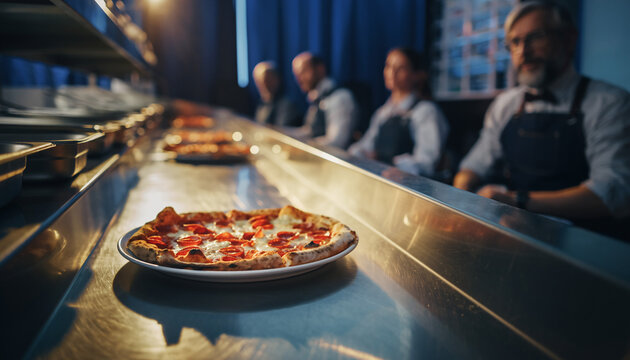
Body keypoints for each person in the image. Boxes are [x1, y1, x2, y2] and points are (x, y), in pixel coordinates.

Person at [453, 1, 630, 238]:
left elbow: (613, 195)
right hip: (514, 239)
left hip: (584, 247)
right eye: (515, 42)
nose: (523, 51)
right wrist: (459, 203)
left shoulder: (609, 102)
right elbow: (472, 166)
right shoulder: (505, 105)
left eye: (535, 37)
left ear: (569, 39)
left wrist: (516, 200)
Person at [348, 47, 449, 178]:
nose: (392, 73)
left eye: (400, 68)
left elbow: (426, 162)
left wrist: (392, 164)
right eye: (389, 66)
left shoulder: (426, 111)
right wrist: (356, 155)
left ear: (416, 75)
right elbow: (365, 146)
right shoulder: (383, 112)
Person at [290, 52, 358, 149]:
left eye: (303, 72)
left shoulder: (340, 97)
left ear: (320, 69)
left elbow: (336, 142)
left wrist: (302, 148)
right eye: (296, 75)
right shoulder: (317, 98)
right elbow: (310, 131)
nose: (299, 79)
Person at [252, 61, 302, 127]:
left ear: (276, 79)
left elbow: (283, 130)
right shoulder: (262, 104)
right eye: (258, 81)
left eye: (267, 80)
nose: (263, 85)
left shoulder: (288, 103)